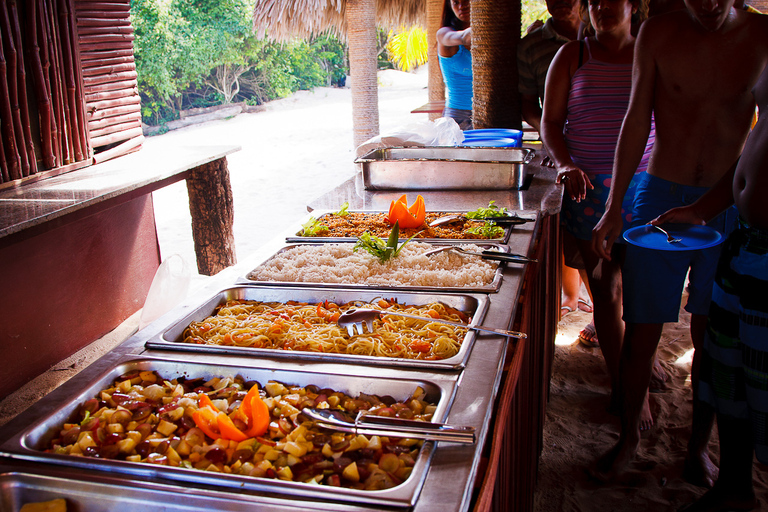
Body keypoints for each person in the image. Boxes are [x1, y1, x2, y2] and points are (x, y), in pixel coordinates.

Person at [590, 0, 768, 484]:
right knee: (642, 326)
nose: (707, 3)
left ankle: (697, 448)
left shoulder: (763, 35)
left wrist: (710, 203)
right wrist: (613, 207)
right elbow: (635, 120)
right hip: (659, 192)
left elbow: (762, 137)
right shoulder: (657, 34)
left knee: (712, 335)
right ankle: (628, 436)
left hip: (729, 202)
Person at [652, 61, 768, 512]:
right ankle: (734, 487)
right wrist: (704, 207)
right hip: (744, 245)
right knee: (729, 370)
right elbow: (754, 148)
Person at [541, 0, 653, 424]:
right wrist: (566, 163)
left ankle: (638, 379)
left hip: (643, 190)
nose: (603, 7)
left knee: (642, 293)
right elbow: (551, 122)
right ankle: (622, 383)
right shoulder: (573, 56)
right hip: (588, 191)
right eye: (595, 1)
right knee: (605, 290)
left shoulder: (650, 49)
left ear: (632, 5)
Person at [517, 0, 594, 343]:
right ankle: (574, 298)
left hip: (608, 158)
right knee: (575, 235)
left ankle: (597, 310)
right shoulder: (531, 46)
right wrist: (554, 132)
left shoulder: (611, 39)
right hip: (560, 157)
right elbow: (529, 105)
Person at [437, 0, 473, 130]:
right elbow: (464, 37)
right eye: (456, 2)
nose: (461, 6)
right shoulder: (444, 34)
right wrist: (484, 25)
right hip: (457, 117)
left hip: (490, 113)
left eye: (466, 1)